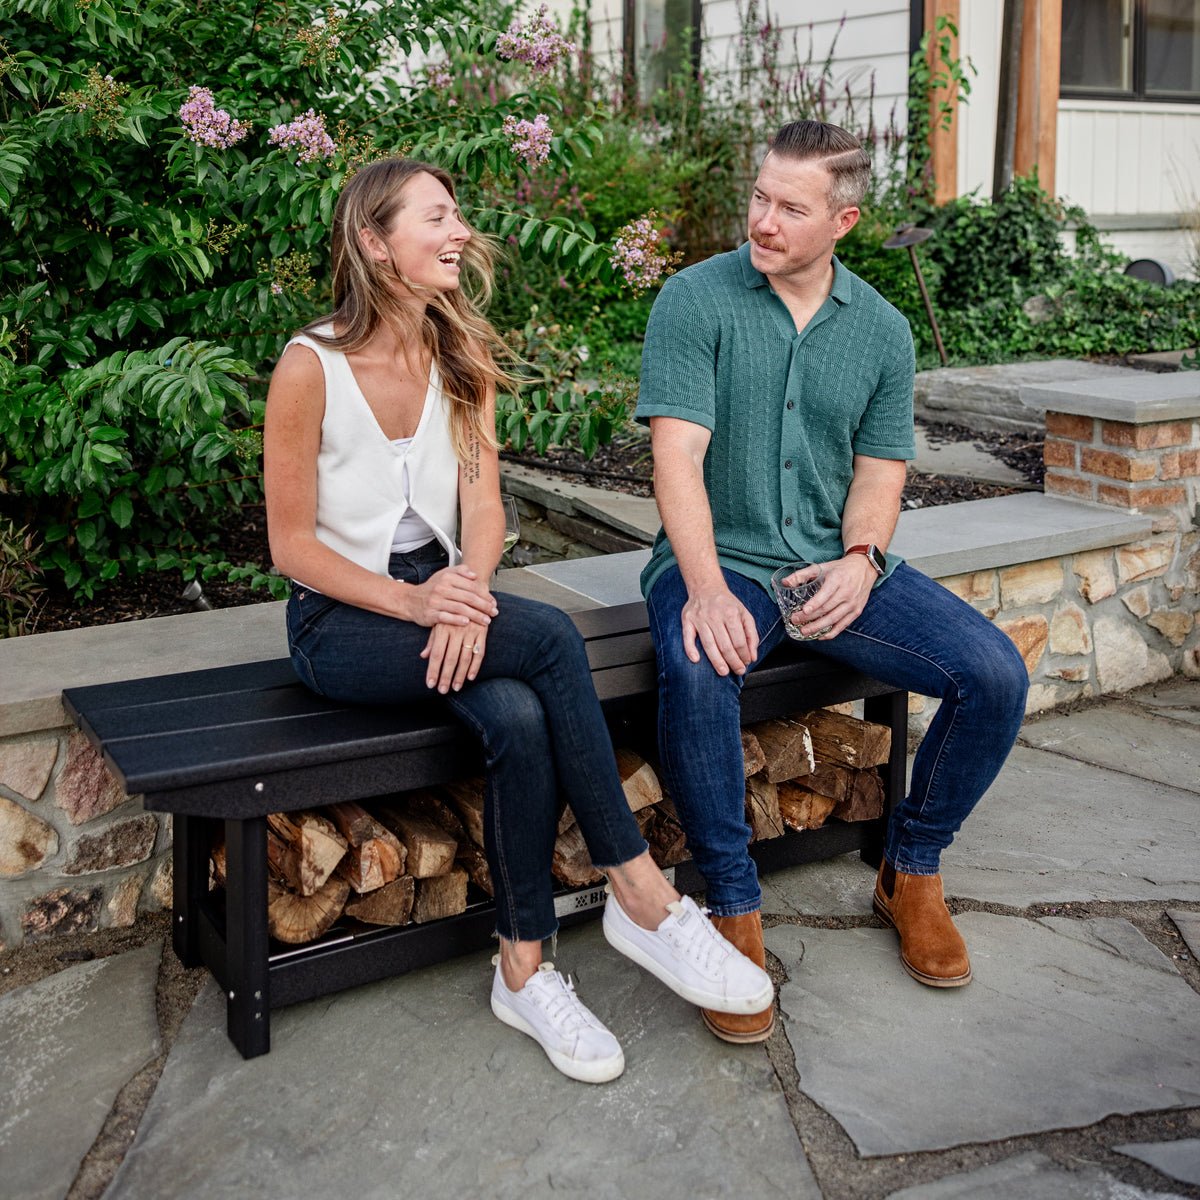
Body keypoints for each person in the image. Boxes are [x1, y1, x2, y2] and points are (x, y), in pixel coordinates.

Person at [263, 157, 773, 1084]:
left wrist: (467, 586)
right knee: (544, 638)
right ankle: (640, 891)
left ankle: (523, 970)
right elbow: (292, 547)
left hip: (447, 589)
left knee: (520, 715)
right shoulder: (311, 368)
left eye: (458, 215)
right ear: (374, 242)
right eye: (437, 218)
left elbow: (486, 510)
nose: (460, 232)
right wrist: (422, 603)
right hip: (342, 619)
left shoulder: (459, 356)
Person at [637, 121, 1029, 1044]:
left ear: (843, 220)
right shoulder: (695, 300)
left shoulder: (883, 332)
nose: (763, 221)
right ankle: (731, 911)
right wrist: (703, 587)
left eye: (790, 207)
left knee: (996, 673)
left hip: (830, 564)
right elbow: (676, 460)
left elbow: (880, 472)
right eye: (759, 197)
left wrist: (861, 564)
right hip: (718, 559)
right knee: (698, 670)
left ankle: (913, 868)